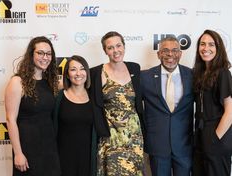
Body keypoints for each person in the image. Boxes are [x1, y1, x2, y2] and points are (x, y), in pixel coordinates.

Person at [90, 31, 145, 176]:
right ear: (105, 51)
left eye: (118, 45)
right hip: (110, 136)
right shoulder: (96, 73)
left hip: (134, 135)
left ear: (124, 47)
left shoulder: (135, 68)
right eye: (110, 47)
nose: (116, 51)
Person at [5, 36, 61, 175]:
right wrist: (18, 153)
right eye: (40, 53)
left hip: (49, 147)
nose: (45, 57)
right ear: (31, 55)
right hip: (27, 148)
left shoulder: (51, 82)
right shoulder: (17, 82)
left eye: (48, 54)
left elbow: (76, 82)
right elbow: (10, 120)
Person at [141, 36, 194, 176]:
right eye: (165, 50)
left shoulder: (193, 75)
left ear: (180, 54)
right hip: (157, 146)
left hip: (184, 145)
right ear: (158, 54)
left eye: (175, 50)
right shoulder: (145, 77)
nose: (170, 54)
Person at [193, 29, 232, 176]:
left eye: (211, 44)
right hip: (201, 135)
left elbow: (230, 110)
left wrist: (215, 138)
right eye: (202, 44)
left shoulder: (223, 73)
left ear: (218, 48)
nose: (206, 48)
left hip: (216, 135)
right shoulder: (200, 73)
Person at [53, 55, 97, 176]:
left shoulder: (94, 97)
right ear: (67, 74)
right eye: (73, 69)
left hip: (88, 158)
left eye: (82, 68)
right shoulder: (58, 97)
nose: (78, 73)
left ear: (87, 72)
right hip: (63, 158)